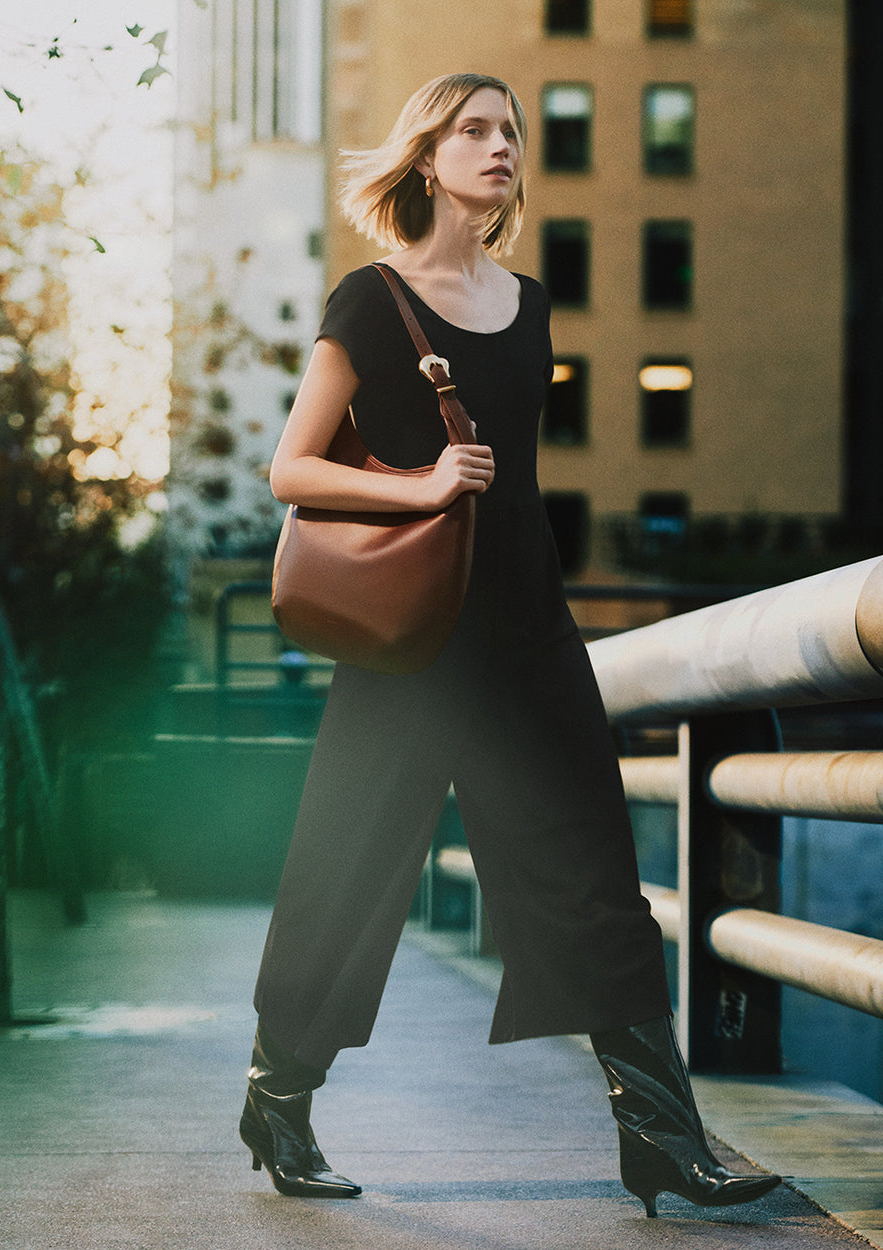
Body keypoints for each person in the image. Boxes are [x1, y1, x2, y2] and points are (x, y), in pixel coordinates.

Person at [240, 72, 781, 1219]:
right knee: (350, 869)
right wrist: (427, 482)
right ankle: (278, 1096)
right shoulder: (368, 298)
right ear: (425, 158)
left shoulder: (529, 304)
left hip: (528, 628)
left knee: (593, 869)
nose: (498, 146)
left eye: (510, 133)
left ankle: (663, 1137)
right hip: (405, 636)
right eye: (472, 129)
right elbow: (290, 468)